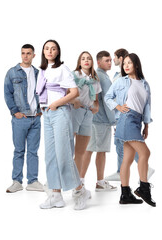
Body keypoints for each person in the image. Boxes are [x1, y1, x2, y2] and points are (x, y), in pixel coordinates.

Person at [36, 40, 91, 210]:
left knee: (64, 154)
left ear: (58, 51)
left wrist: (56, 104)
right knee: (50, 156)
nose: (50, 51)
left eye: (53, 48)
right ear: (43, 52)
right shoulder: (43, 71)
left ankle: (80, 191)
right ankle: (56, 195)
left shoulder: (63, 69)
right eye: (47, 48)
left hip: (60, 113)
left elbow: (74, 92)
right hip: (47, 114)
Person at [105, 53, 156, 207]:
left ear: (136, 65)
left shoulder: (145, 84)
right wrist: (118, 107)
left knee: (127, 159)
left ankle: (125, 194)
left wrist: (146, 125)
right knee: (145, 153)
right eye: (124, 63)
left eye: (129, 63)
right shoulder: (121, 81)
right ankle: (144, 188)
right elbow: (108, 97)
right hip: (126, 119)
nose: (126, 66)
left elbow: (147, 106)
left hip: (137, 121)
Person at [4, 44, 44, 193]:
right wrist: (15, 112)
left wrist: (41, 110)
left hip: (36, 119)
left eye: (28, 53)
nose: (25, 56)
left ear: (34, 55)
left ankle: (33, 181)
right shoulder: (13, 72)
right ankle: (17, 181)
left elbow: (43, 93)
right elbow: (7, 93)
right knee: (19, 150)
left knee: (33, 151)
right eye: (23, 53)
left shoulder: (38, 73)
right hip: (20, 119)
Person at [80, 51, 117, 191]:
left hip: (93, 119)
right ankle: (99, 182)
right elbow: (108, 101)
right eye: (106, 60)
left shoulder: (97, 76)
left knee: (89, 150)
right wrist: (114, 121)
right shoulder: (102, 77)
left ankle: (82, 181)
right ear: (99, 62)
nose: (110, 63)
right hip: (102, 121)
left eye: (110, 60)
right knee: (100, 151)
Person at [70, 51, 101, 185]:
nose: (86, 60)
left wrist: (97, 106)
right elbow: (65, 92)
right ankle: (60, 180)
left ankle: (77, 182)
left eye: (88, 58)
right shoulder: (74, 75)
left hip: (88, 114)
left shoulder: (95, 78)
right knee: (67, 149)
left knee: (81, 152)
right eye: (83, 58)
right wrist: (74, 101)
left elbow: (97, 97)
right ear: (79, 62)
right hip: (75, 111)